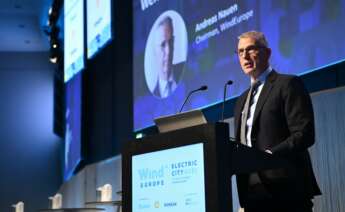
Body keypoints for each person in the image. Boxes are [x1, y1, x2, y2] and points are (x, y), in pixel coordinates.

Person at [233, 31, 321, 211]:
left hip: (286, 191)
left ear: (267, 53)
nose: (245, 56)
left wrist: (269, 156)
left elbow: (304, 134)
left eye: (250, 49)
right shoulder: (241, 100)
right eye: (240, 52)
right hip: (252, 194)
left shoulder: (287, 85)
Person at [152, 16, 178, 98]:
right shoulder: (149, 98)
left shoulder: (189, 78)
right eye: (163, 45)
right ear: (154, 51)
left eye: (170, 42)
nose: (168, 51)